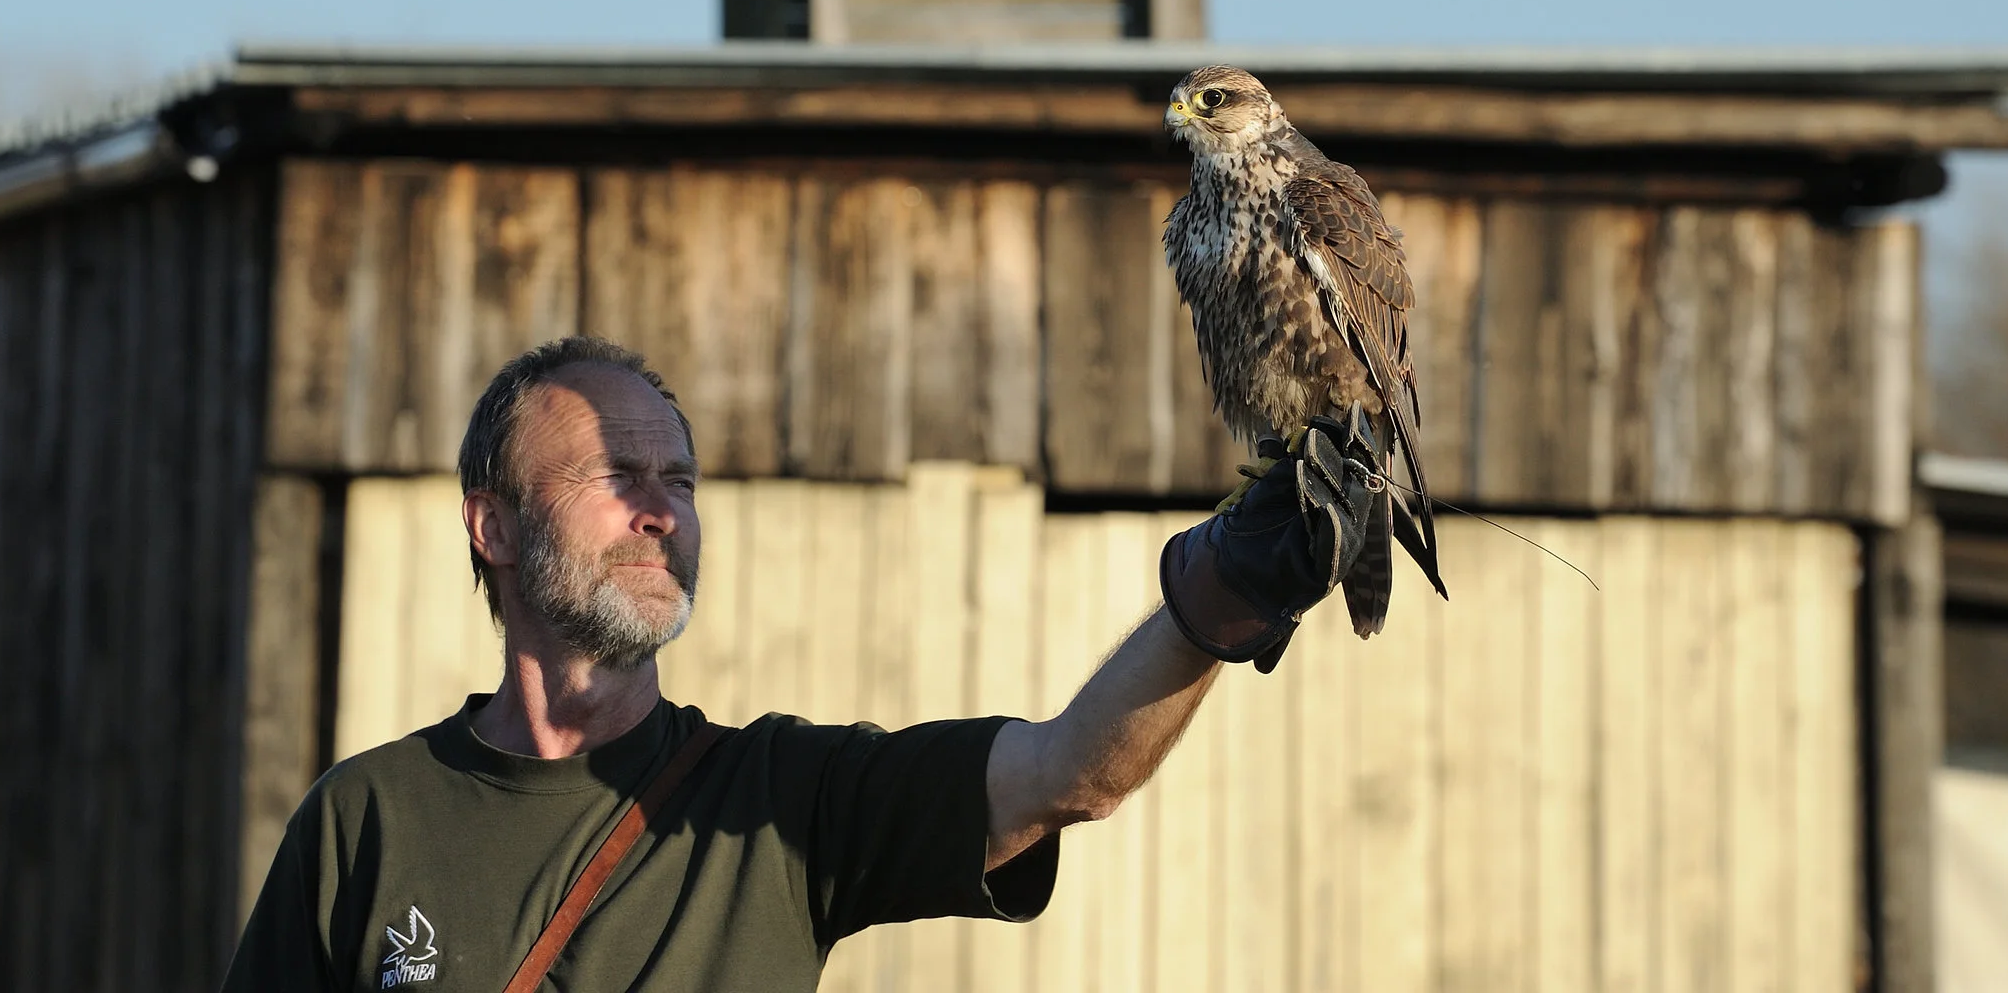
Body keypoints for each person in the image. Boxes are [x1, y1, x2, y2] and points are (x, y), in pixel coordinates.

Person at [226, 335, 1351, 992]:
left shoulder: (782, 799)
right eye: (615, 475)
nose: (659, 510)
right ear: (496, 527)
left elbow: (1069, 774)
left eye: (679, 480)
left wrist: (1216, 600)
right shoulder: (365, 819)